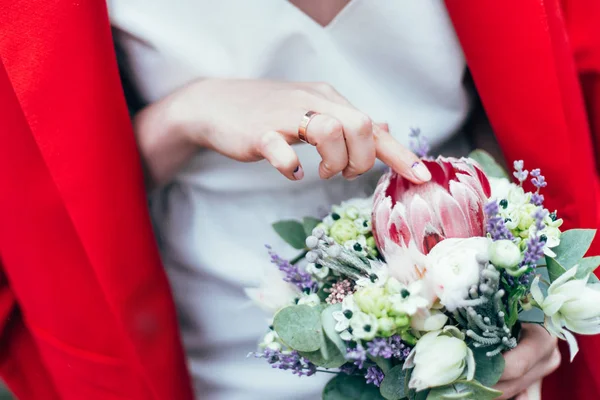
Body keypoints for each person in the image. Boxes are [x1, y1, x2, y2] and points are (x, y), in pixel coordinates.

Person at [0, 1, 598, 400]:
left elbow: (531, 103)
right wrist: (184, 117)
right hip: (216, 351)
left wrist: (528, 294)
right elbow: (45, 196)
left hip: (466, 332)